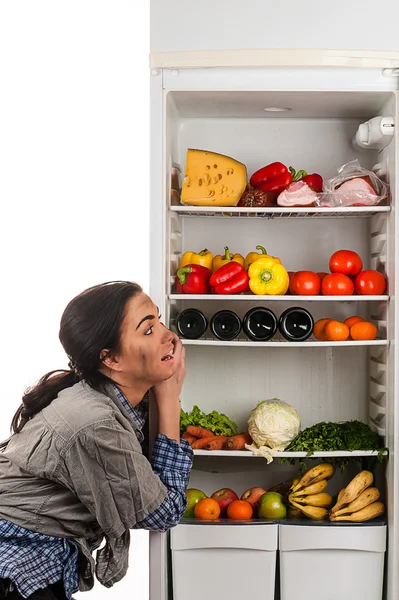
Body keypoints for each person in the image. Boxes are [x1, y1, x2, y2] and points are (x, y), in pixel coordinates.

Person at [0, 281, 193, 599]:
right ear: (112, 359)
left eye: (158, 320)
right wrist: (170, 399)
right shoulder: (96, 423)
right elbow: (163, 512)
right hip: (18, 558)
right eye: (147, 330)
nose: (166, 335)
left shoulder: (113, 400)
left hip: (34, 552)